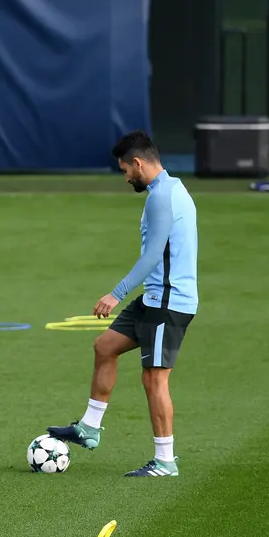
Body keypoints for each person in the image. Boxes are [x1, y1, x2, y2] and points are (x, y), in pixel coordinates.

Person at [47, 132, 198, 478]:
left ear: (139, 163)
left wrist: (116, 293)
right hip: (154, 298)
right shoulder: (169, 190)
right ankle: (89, 428)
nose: (126, 176)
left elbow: (151, 255)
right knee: (105, 346)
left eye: (125, 170)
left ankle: (165, 461)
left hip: (169, 303)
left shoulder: (162, 198)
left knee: (154, 379)